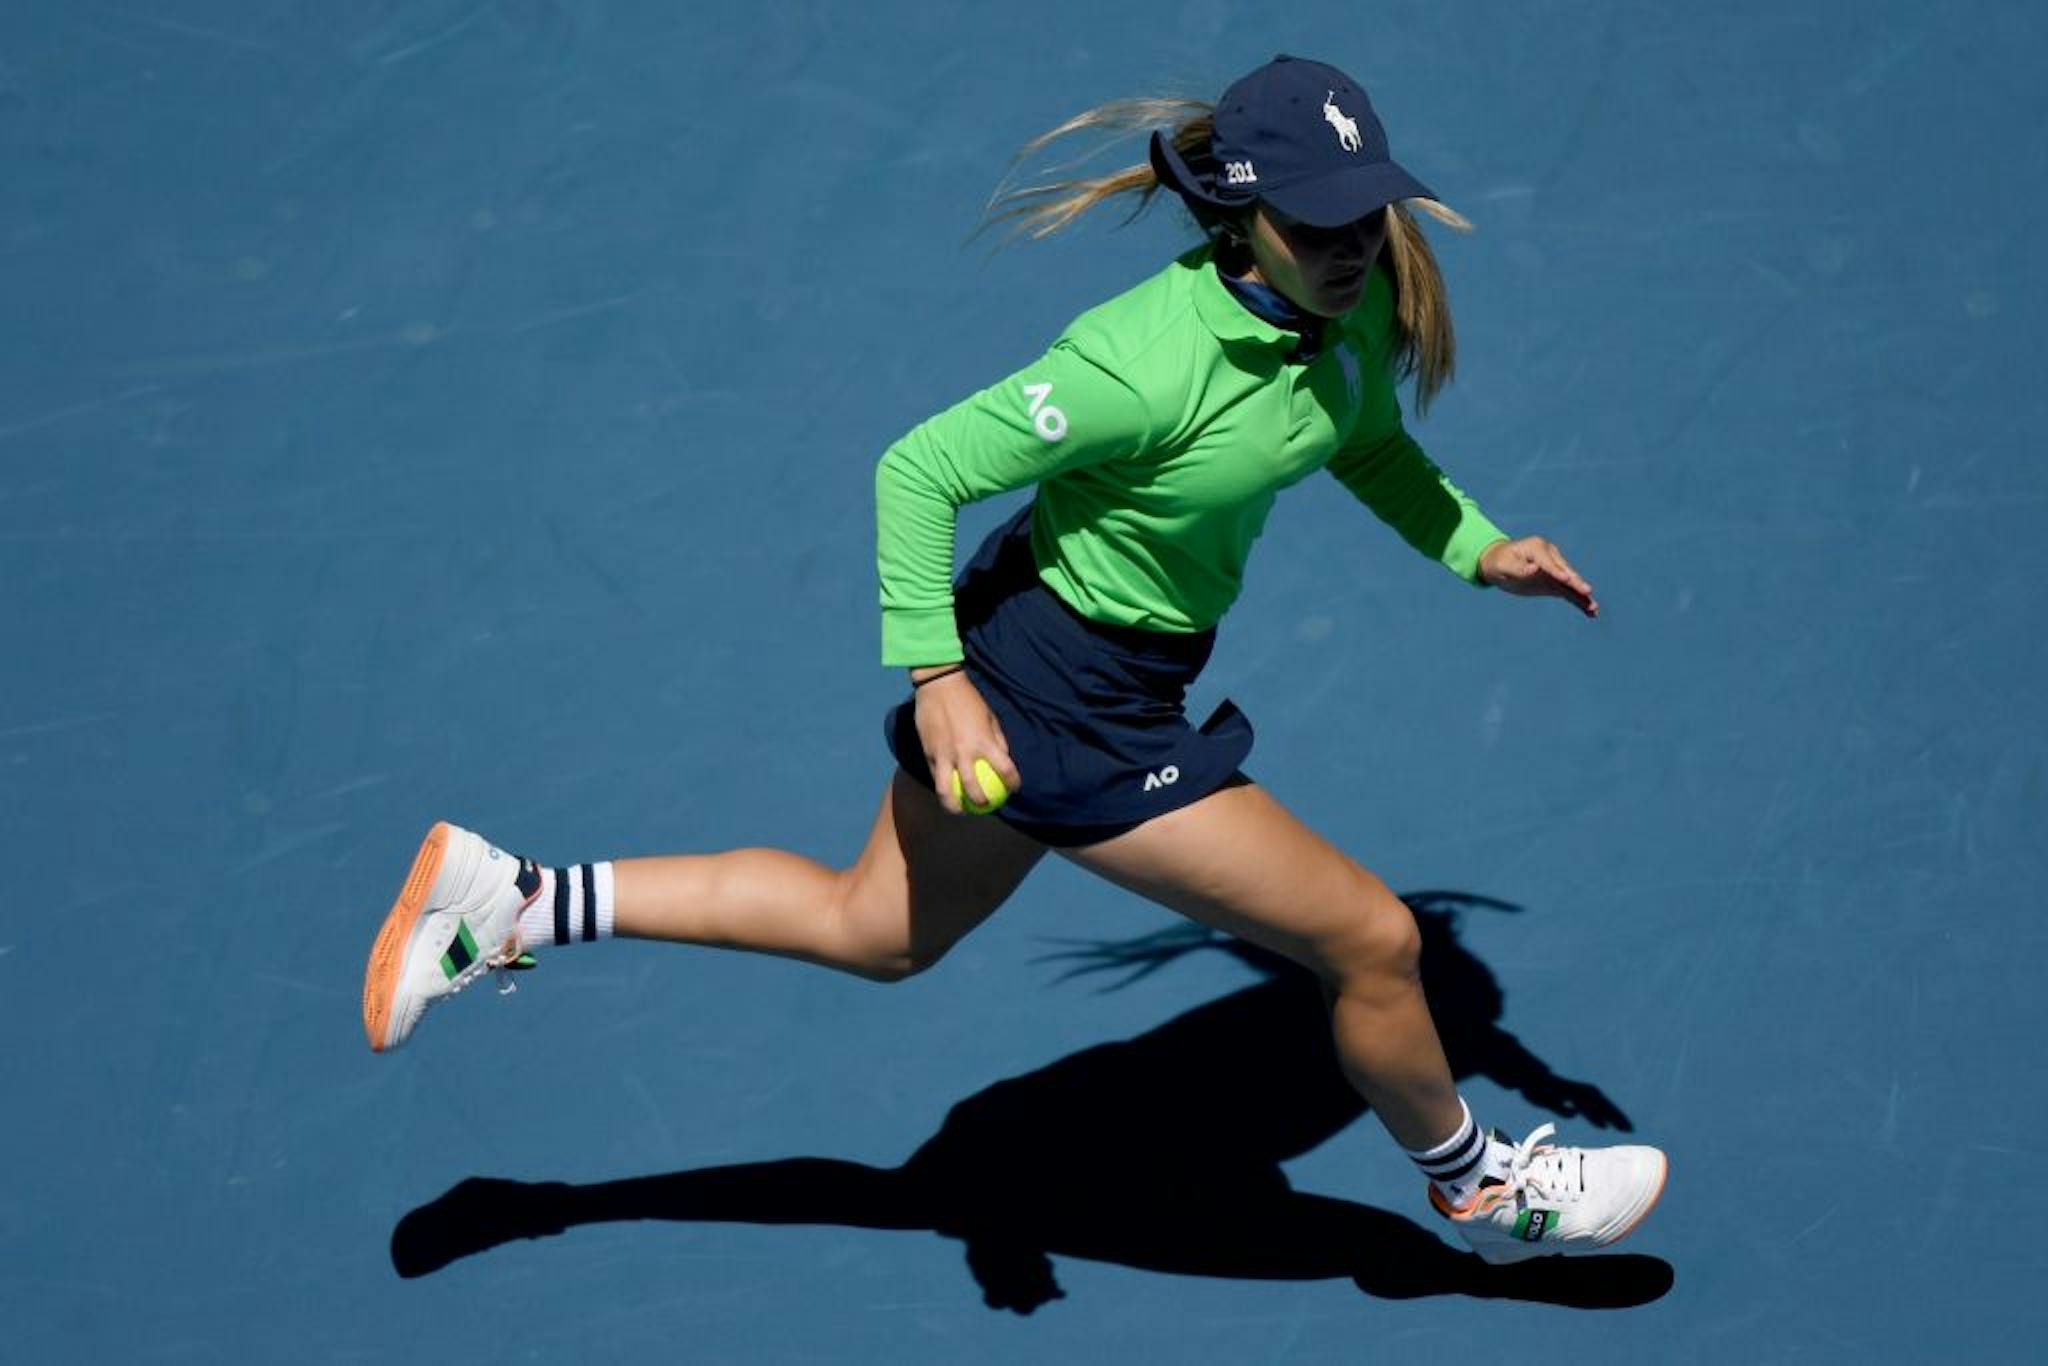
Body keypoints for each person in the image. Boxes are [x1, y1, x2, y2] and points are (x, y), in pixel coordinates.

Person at [361, 54, 1666, 1266]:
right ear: (1240, 215)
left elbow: (1368, 444)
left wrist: (1482, 549)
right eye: (1316, 222)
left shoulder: (1349, 306)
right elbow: (916, 469)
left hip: (1082, 670)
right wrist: (944, 687)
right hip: (1065, 700)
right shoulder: (1137, 364)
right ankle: (1482, 1179)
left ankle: (515, 898)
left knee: (865, 928)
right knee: (1374, 942)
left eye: (1362, 216)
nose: (1346, 246)